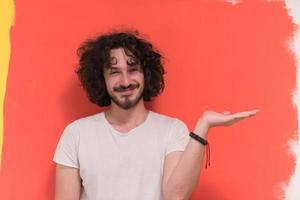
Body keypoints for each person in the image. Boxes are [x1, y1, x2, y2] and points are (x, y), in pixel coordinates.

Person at [53, 29, 259, 200]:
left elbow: (175, 196)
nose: (125, 81)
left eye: (133, 69)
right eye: (114, 72)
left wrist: (203, 125)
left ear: (146, 73)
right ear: (101, 79)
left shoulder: (172, 130)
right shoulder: (77, 134)